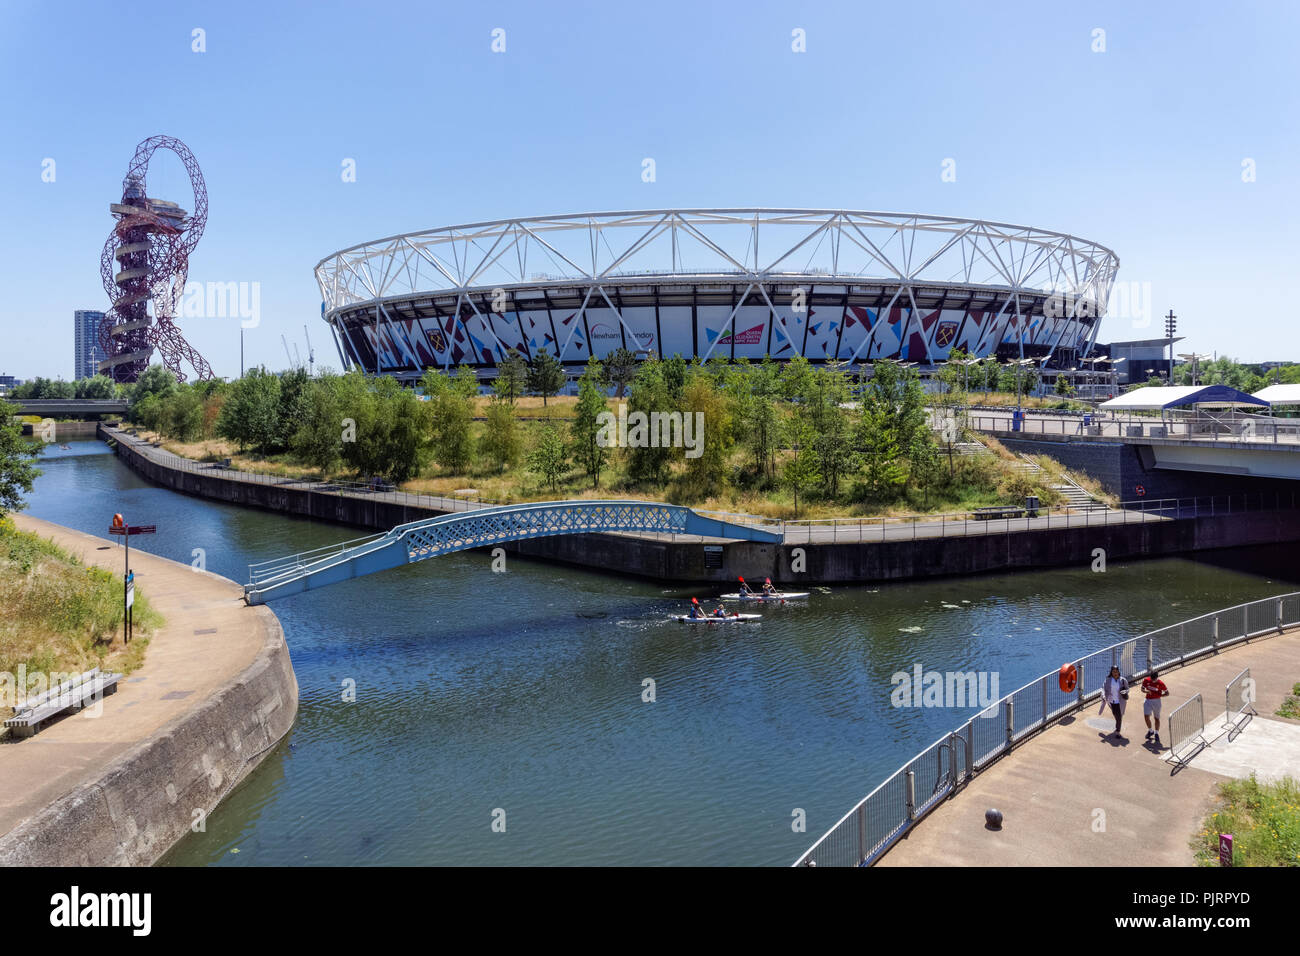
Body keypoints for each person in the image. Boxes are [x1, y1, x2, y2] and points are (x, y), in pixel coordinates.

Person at [1140, 670, 1170, 748]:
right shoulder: (1146, 680)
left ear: (1157, 677)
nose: (1153, 680)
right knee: (1146, 716)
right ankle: (1150, 731)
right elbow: (1142, 689)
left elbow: (1167, 693)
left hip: (1157, 702)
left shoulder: (1161, 683)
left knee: (1156, 718)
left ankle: (1156, 733)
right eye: (1152, 679)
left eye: (1154, 679)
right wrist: (1146, 691)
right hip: (1148, 700)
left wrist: (1160, 696)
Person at [1099, 665, 1130, 738]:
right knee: (1115, 714)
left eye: (1116, 671)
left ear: (1119, 671)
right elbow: (1103, 689)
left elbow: (1128, 689)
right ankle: (1118, 724)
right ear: (1111, 672)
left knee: (1119, 716)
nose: (1115, 673)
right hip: (1111, 701)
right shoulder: (1108, 680)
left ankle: (1118, 731)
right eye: (1113, 672)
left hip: (1120, 701)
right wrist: (1103, 696)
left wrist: (1125, 691)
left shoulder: (1123, 680)